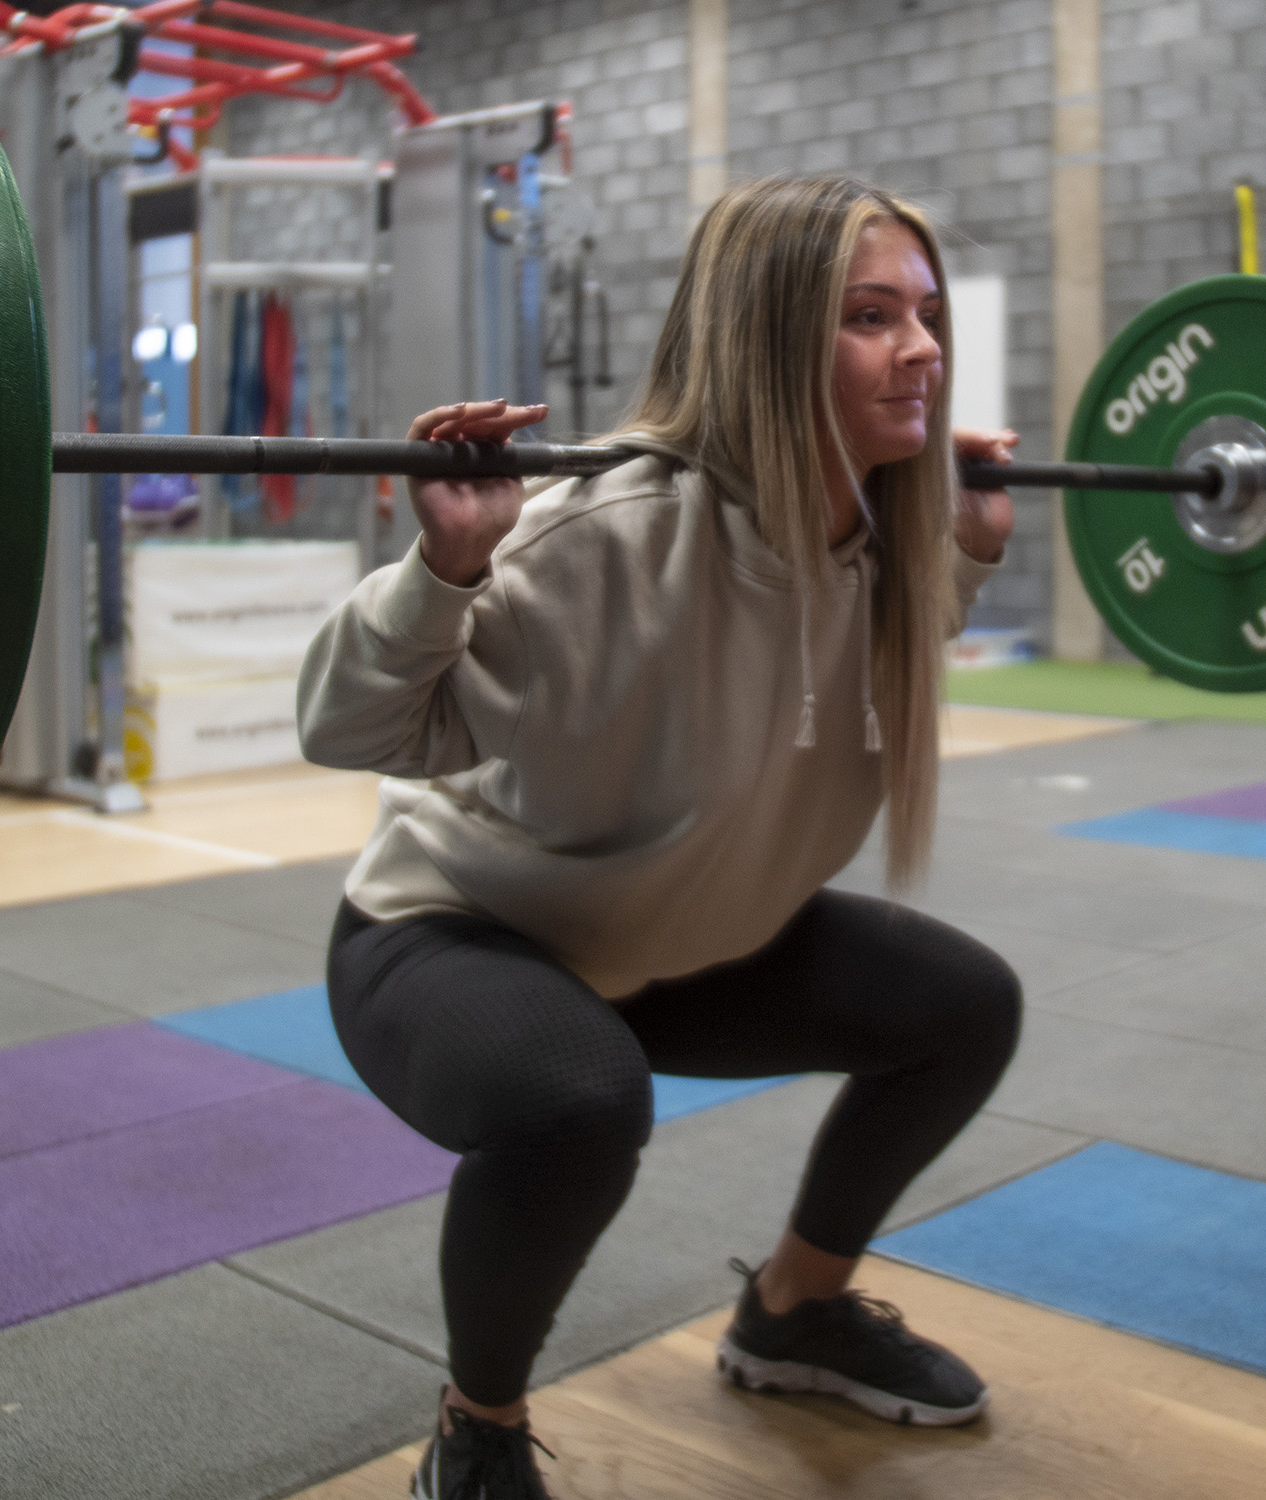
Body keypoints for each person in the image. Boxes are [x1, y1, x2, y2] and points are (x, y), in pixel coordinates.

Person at [297, 173, 1022, 1500]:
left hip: (675, 946)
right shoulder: (606, 534)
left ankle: (793, 1314)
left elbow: (823, 662)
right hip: (459, 940)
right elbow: (351, 728)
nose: (923, 347)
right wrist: (444, 572)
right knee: (578, 1106)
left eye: (923, 314)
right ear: (768, 336)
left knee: (966, 1005)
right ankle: (479, 1426)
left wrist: (961, 557)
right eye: (873, 316)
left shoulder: (873, 546)